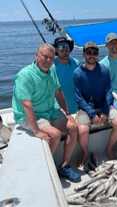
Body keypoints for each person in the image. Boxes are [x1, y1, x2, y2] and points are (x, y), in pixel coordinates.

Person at [12, 43, 80, 182]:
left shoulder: (52, 69)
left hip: (49, 110)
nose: (48, 60)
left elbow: (58, 91)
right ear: (37, 56)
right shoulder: (24, 75)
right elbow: (26, 105)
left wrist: (67, 113)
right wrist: (36, 131)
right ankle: (46, 169)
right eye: (45, 56)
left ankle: (64, 165)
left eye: (51, 57)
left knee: (73, 128)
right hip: (31, 115)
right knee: (54, 135)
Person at [73, 41, 117, 163]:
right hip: (86, 108)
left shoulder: (104, 70)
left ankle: (109, 149)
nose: (92, 55)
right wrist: (92, 114)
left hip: (103, 105)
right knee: (83, 130)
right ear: (83, 54)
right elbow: (78, 98)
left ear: (98, 54)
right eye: (89, 52)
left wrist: (105, 112)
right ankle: (85, 152)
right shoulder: (78, 73)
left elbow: (108, 92)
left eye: (94, 52)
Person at [52, 37, 80, 114]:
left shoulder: (76, 63)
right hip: (61, 111)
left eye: (66, 46)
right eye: (60, 46)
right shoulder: (52, 67)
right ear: (56, 50)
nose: (64, 48)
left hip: (79, 108)